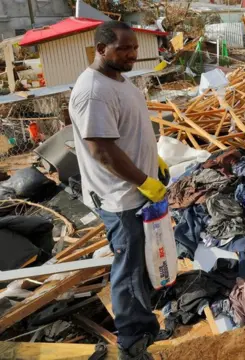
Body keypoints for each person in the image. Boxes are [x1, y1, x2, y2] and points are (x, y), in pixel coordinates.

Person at [69, 21, 168, 360]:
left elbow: (129, 133)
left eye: (134, 48)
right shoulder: (94, 91)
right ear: (100, 49)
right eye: (124, 49)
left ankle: (144, 325)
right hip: (120, 196)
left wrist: (156, 163)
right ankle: (131, 341)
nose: (132, 54)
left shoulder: (119, 81)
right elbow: (102, 150)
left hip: (136, 189)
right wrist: (144, 180)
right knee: (127, 268)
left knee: (140, 263)